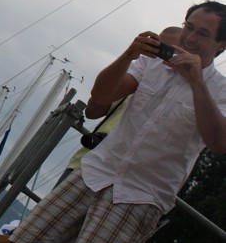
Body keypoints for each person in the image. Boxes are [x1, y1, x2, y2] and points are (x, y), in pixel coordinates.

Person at [0, 0, 226, 243]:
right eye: (188, 27)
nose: (189, 37)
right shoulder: (152, 65)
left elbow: (218, 143)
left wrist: (196, 81)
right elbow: (99, 102)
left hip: (142, 195)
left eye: (202, 33)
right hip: (97, 168)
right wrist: (129, 55)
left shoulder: (220, 90)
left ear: (220, 45)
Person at [54, 26, 183, 187]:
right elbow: (93, 110)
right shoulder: (136, 78)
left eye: (168, 51)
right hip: (87, 162)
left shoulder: (184, 96)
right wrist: (128, 56)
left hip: (131, 182)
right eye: (156, 48)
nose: (159, 56)